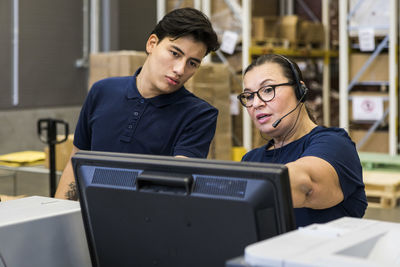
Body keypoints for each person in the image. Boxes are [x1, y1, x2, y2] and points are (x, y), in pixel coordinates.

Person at [55, 8, 220, 200]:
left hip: (149, 224)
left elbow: (175, 186)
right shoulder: (102, 91)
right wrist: (58, 218)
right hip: (89, 219)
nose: (180, 69)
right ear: (152, 44)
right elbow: (76, 164)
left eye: (192, 63)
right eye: (175, 53)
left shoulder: (199, 115)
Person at [237, 54, 367, 227]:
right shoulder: (251, 159)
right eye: (249, 96)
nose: (256, 104)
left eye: (268, 90)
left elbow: (307, 184)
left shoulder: (335, 144)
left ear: (300, 90)